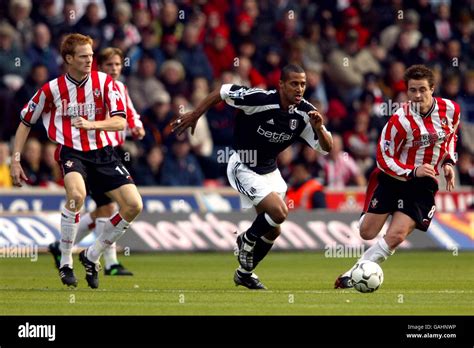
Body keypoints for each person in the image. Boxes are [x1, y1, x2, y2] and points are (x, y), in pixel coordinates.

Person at [171, 64, 333, 289]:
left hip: (270, 171)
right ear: (281, 85)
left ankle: (244, 273)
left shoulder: (306, 113)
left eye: (303, 84)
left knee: (274, 229)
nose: (299, 89)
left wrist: (320, 128)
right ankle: (246, 239)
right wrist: (196, 115)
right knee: (279, 212)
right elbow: (223, 91)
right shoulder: (260, 99)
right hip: (243, 165)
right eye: (294, 83)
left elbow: (326, 148)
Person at [10, 34, 143, 289]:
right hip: (72, 152)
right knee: (76, 196)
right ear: (68, 59)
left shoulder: (105, 83)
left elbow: (120, 121)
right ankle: (65, 262)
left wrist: (92, 124)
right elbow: (25, 122)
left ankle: (92, 256)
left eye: (91, 56)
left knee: (134, 205)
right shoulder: (51, 89)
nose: (89, 60)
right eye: (83, 56)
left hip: (104, 153)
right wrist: (16, 161)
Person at [334, 64, 460, 289]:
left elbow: (451, 136)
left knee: (397, 235)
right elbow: (383, 157)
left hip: (423, 185)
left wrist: (448, 161)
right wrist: (412, 171)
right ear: (407, 91)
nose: (417, 95)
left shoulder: (451, 110)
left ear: (433, 88)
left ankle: (353, 274)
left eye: (422, 89)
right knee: (367, 232)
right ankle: (379, 213)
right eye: (412, 90)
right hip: (394, 179)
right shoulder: (400, 120)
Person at [48, 46, 145, 276]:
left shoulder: (119, 87)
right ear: (100, 67)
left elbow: (128, 114)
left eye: (118, 65)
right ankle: (109, 263)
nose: (114, 69)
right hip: (88, 152)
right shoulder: (95, 87)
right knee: (108, 207)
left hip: (110, 154)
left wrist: (137, 127)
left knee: (104, 209)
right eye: (109, 64)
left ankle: (62, 247)